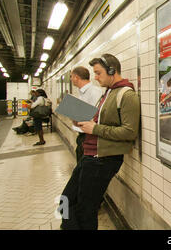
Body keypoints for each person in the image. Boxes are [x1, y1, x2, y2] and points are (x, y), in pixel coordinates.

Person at [60, 53, 140, 230]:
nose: (95, 78)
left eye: (98, 73)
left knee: (86, 209)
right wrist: (81, 120)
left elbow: (129, 131)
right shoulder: (108, 92)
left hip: (103, 159)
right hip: (90, 154)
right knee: (65, 200)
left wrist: (94, 129)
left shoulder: (127, 95)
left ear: (112, 70)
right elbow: (100, 121)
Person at [70, 66, 103, 163]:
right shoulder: (82, 92)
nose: (71, 79)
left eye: (71, 76)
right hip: (82, 137)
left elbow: (96, 116)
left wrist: (76, 116)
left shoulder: (94, 92)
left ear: (76, 77)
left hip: (89, 138)